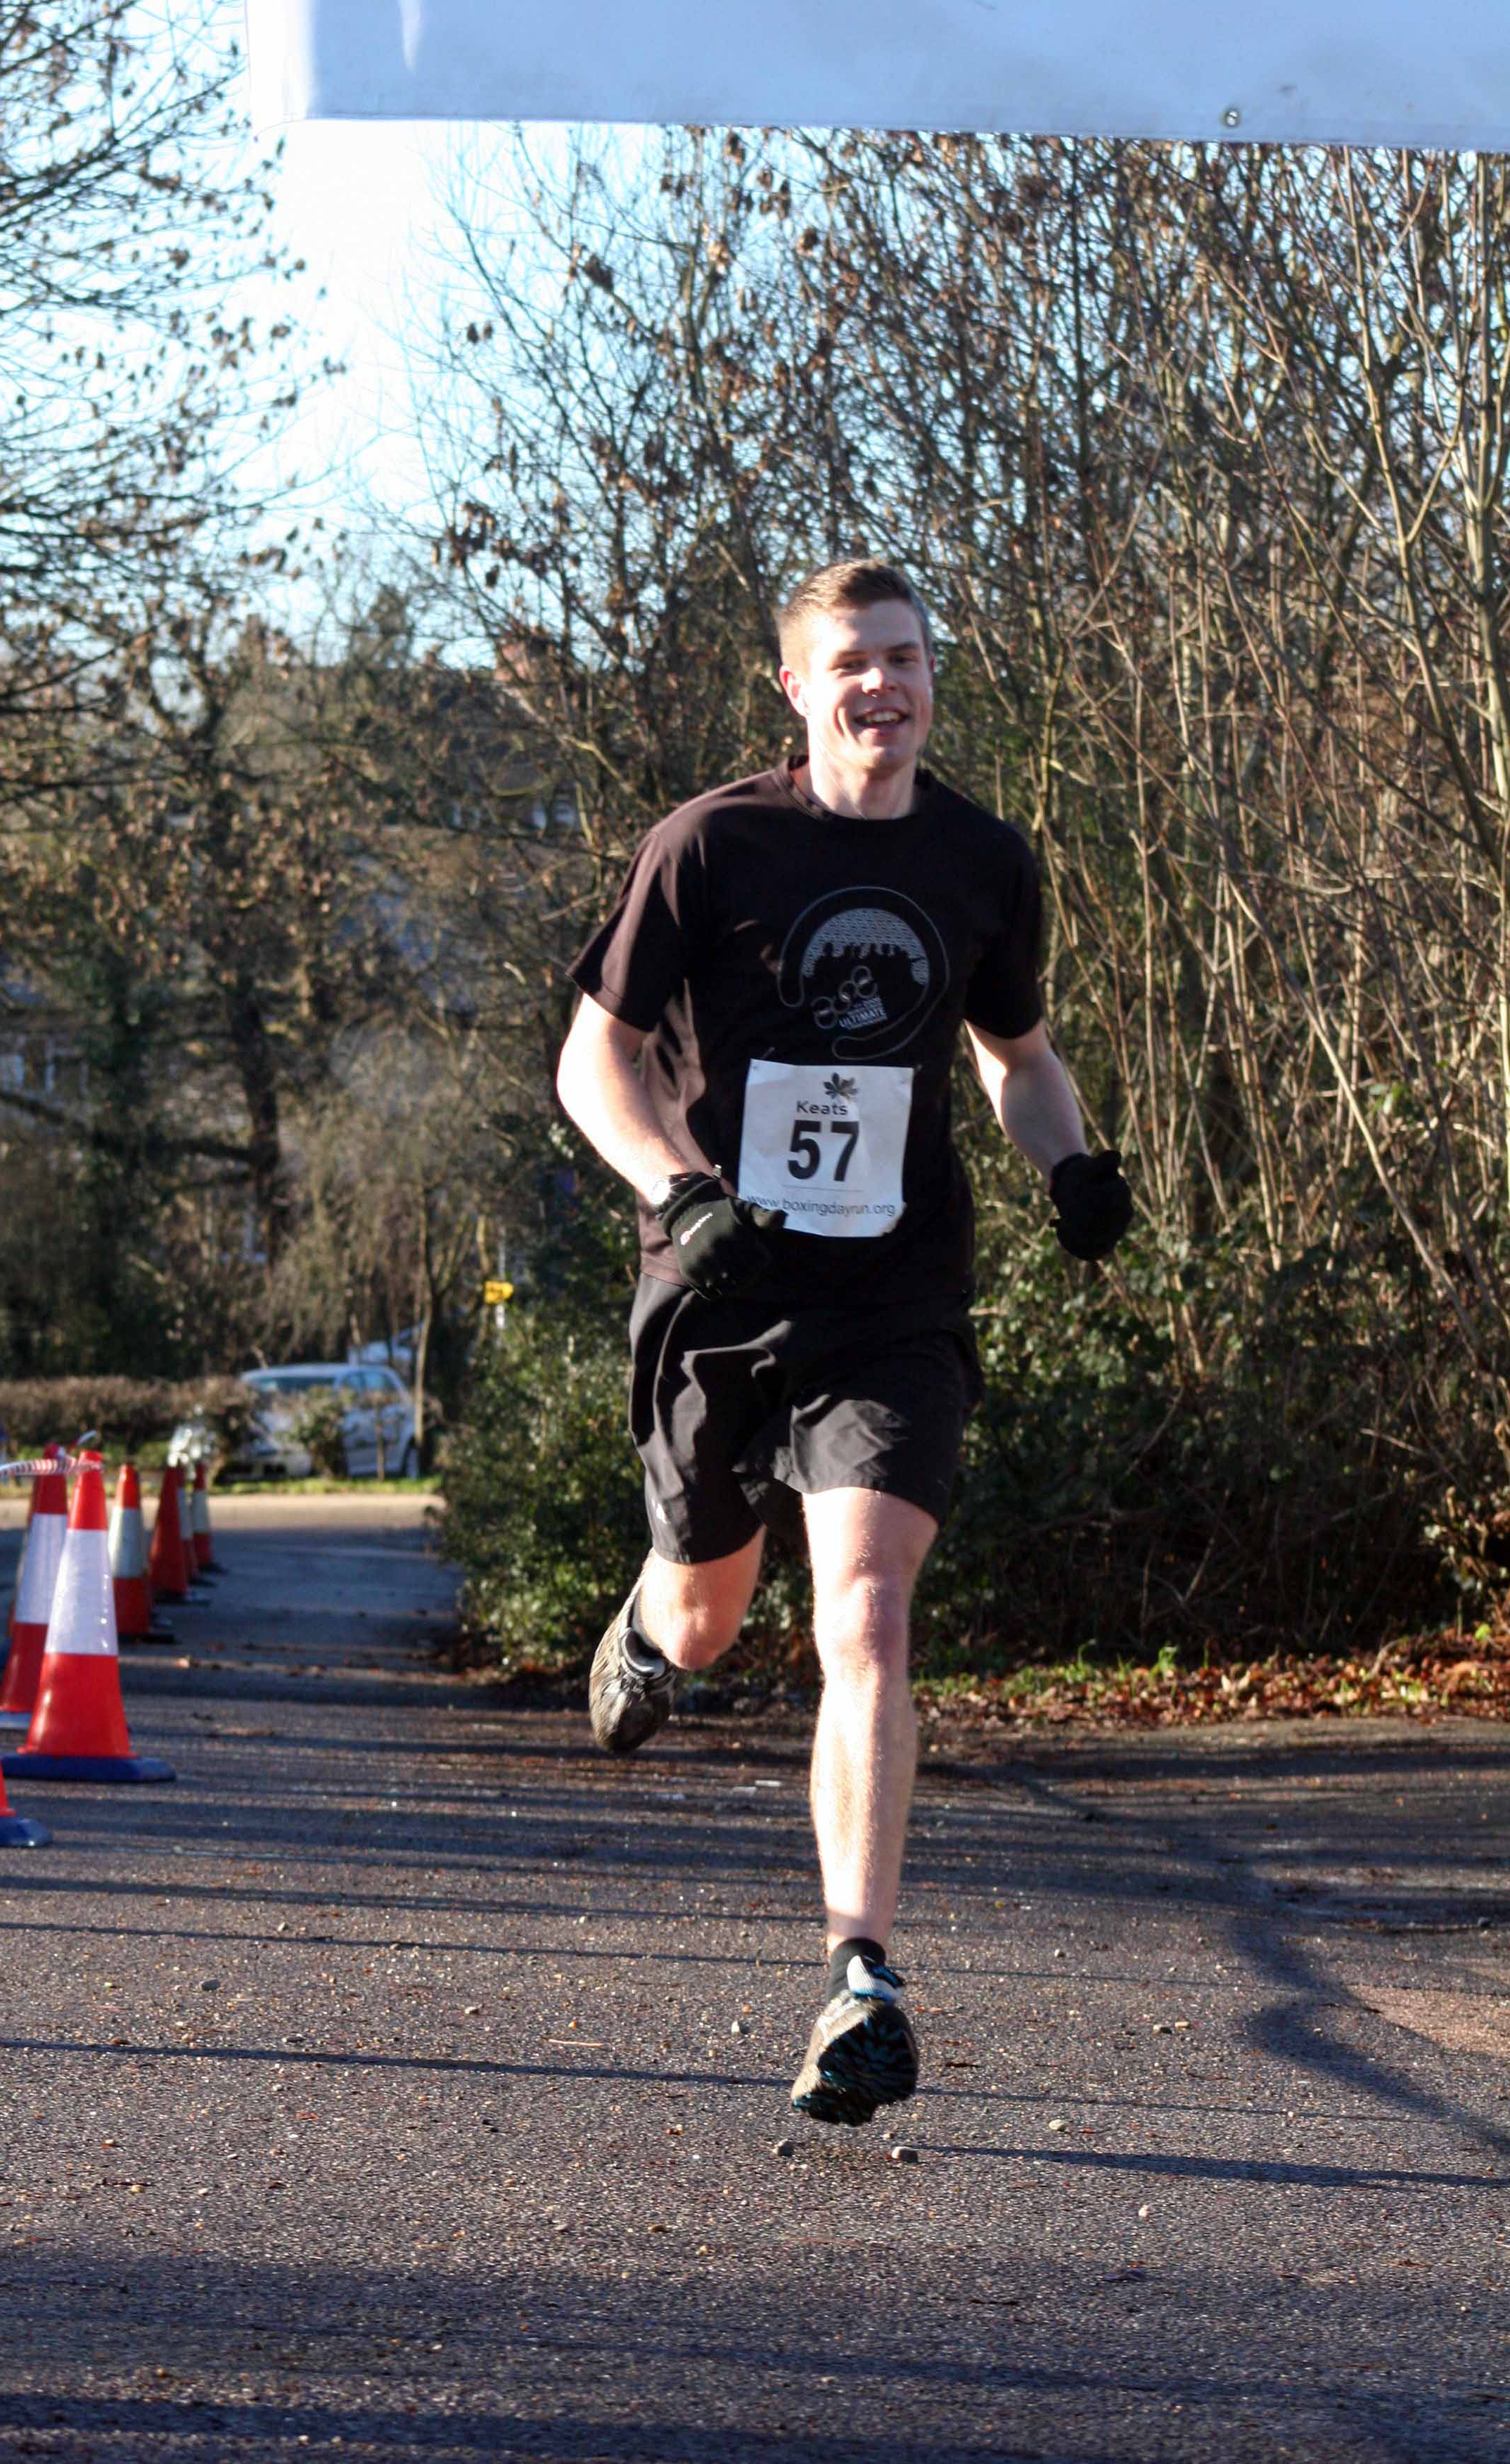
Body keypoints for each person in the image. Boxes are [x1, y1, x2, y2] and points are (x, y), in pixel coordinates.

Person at [556, 560, 1132, 2126]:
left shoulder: (978, 860)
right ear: (797, 692)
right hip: (724, 1282)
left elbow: (1013, 1053)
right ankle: (649, 1621)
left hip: (895, 1296)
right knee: (706, 1627)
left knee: (866, 1613)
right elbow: (591, 1058)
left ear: (932, 678)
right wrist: (678, 1188)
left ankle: (858, 1974)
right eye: (851, 665)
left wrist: (1069, 1164)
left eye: (905, 659)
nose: (883, 686)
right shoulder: (711, 846)